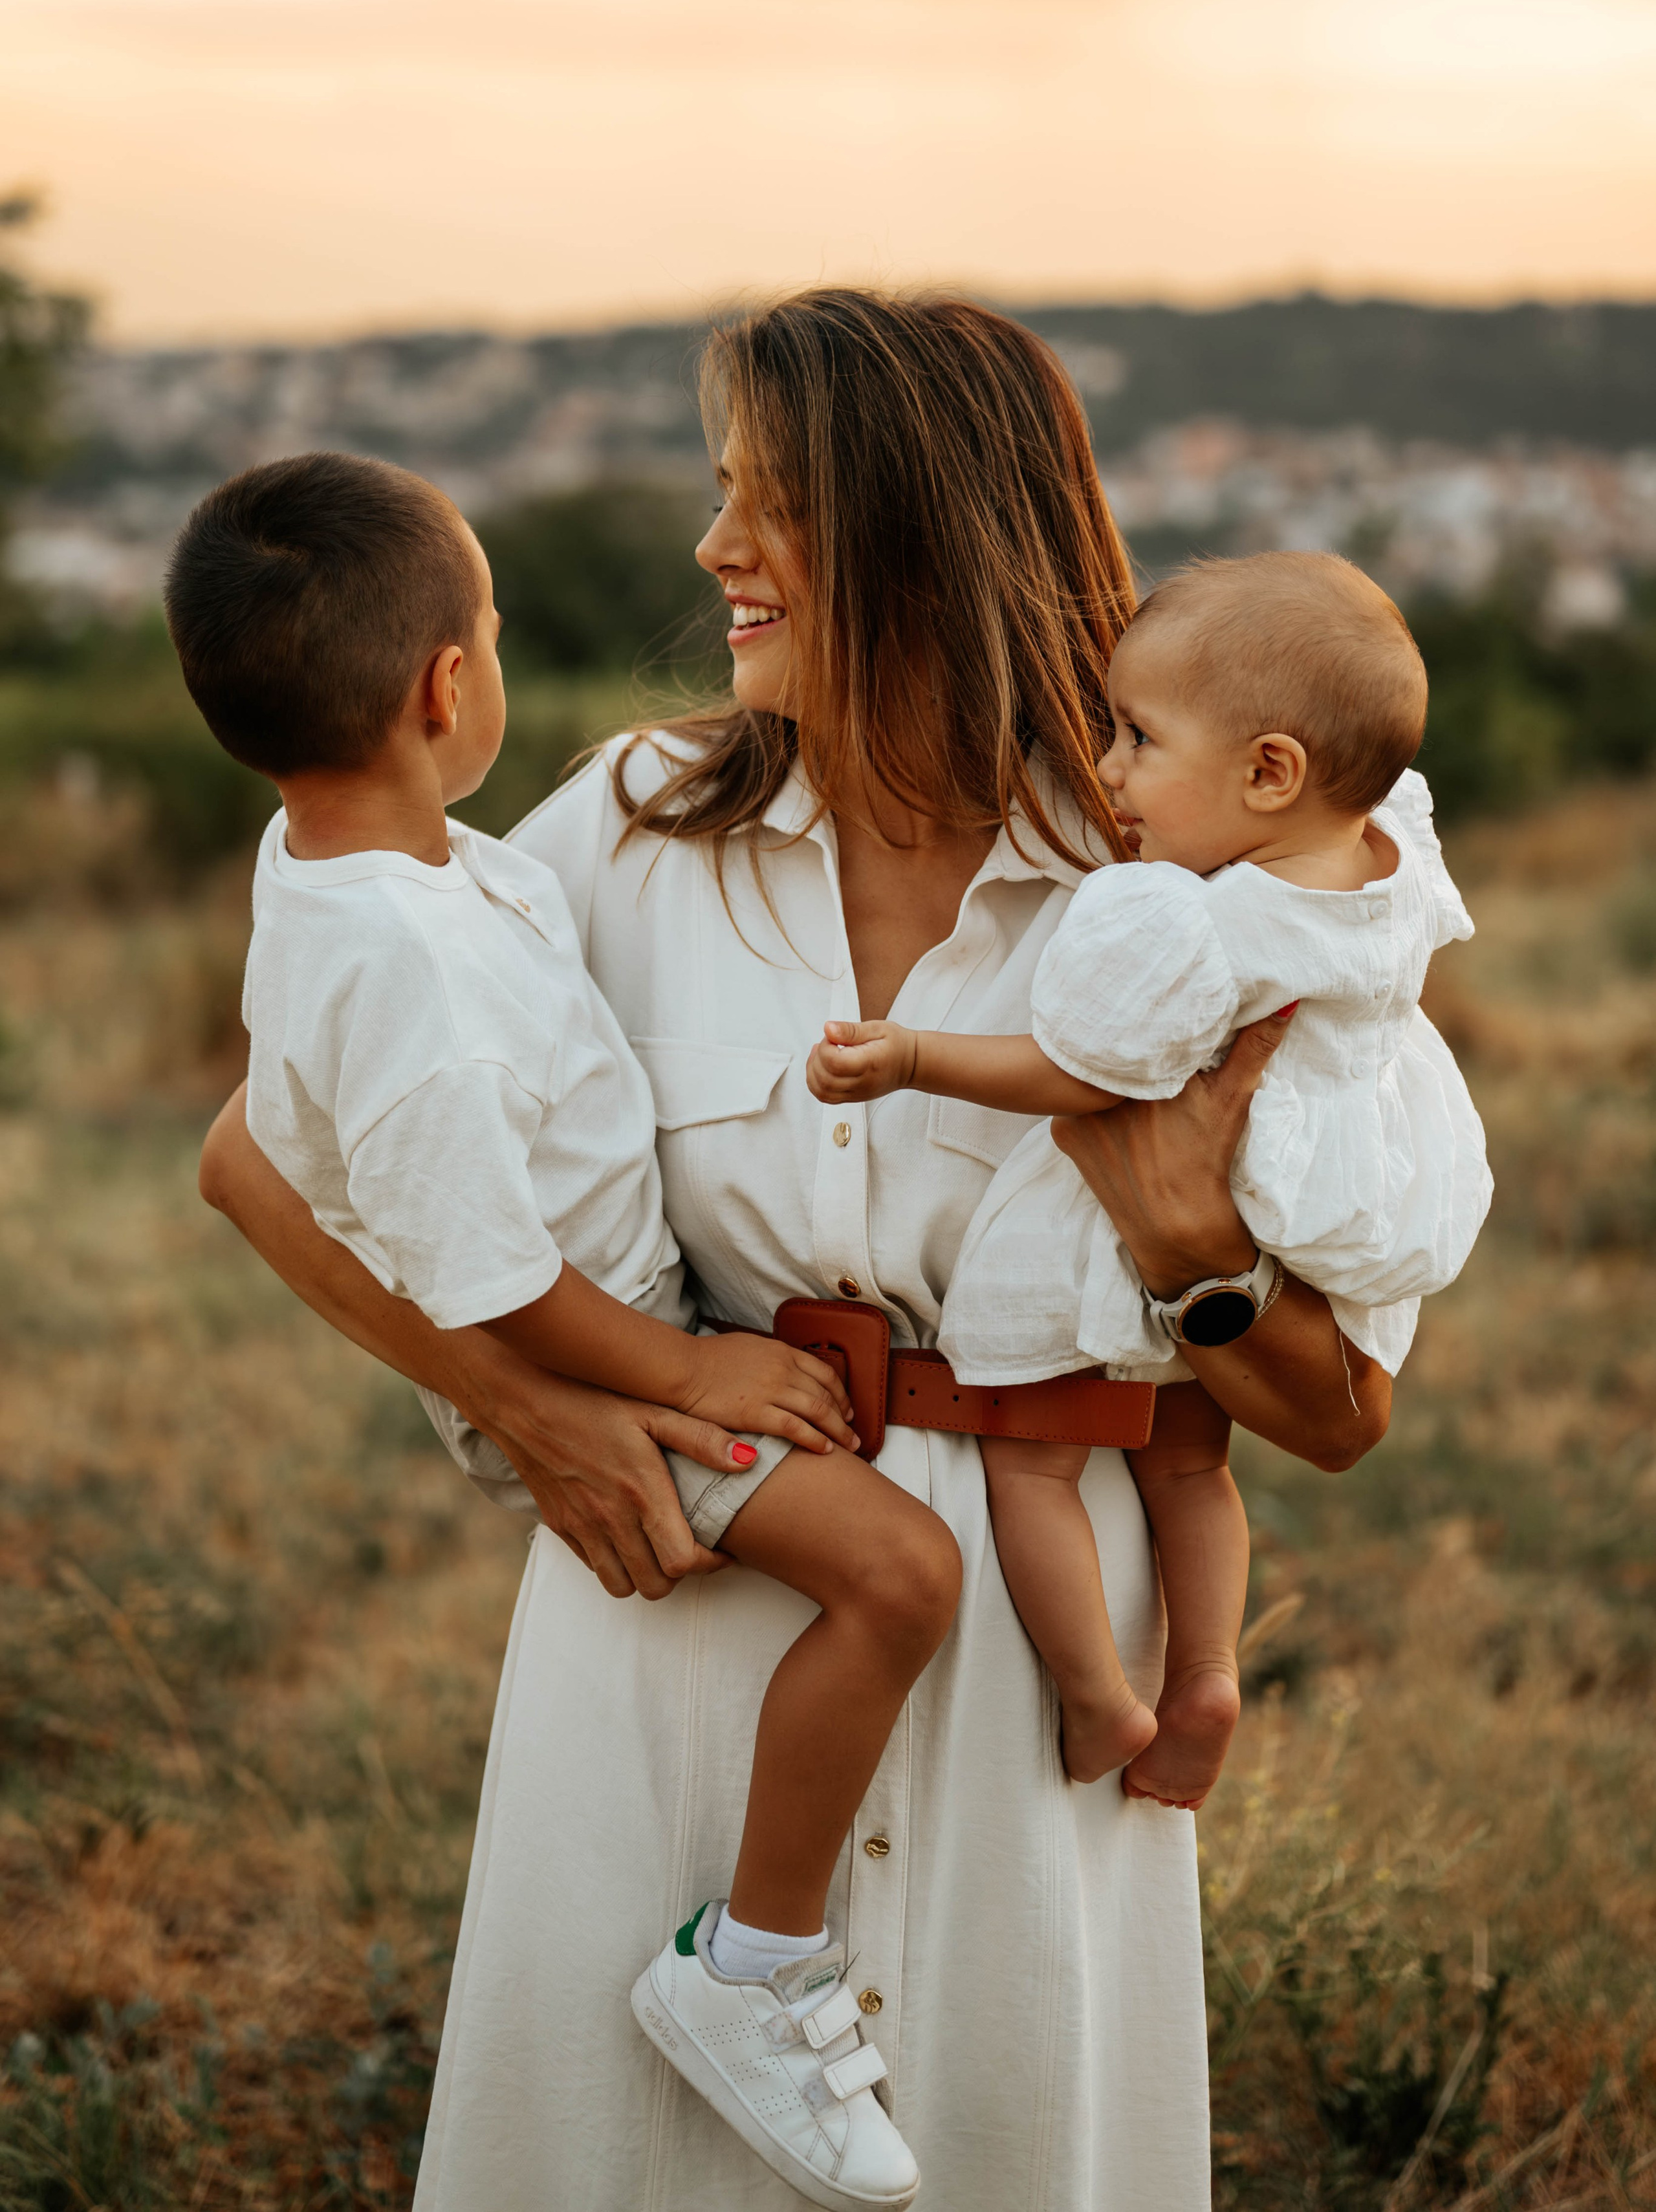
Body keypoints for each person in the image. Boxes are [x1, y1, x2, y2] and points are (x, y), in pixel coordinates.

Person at [198, 289, 1397, 2212]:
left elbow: (1342, 1416)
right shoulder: (621, 832)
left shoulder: (1189, 909)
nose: (714, 550)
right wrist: (535, 1411)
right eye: (721, 494)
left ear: (918, 530)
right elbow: (261, 1151)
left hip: (1037, 1655)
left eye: (770, 504)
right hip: (679, 1609)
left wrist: (1185, 1239)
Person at [164, 447, 961, 2209]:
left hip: (623, 1346)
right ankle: (751, 1968)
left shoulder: (413, 879)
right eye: (499, 633)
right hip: (614, 1374)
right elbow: (487, 1278)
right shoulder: (413, 969)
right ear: (451, 685)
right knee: (903, 1575)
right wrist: (674, 1370)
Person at [807, 551, 1492, 1809]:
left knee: (1032, 1461)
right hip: (1337, 1185)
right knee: (1188, 1465)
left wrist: (911, 1055)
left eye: (1136, 738)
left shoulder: (1191, 921)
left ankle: (1095, 1697)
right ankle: (1210, 1672)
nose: (1108, 768)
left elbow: (1081, 1071)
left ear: (1268, 772)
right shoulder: (1387, 848)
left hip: (1171, 1197)